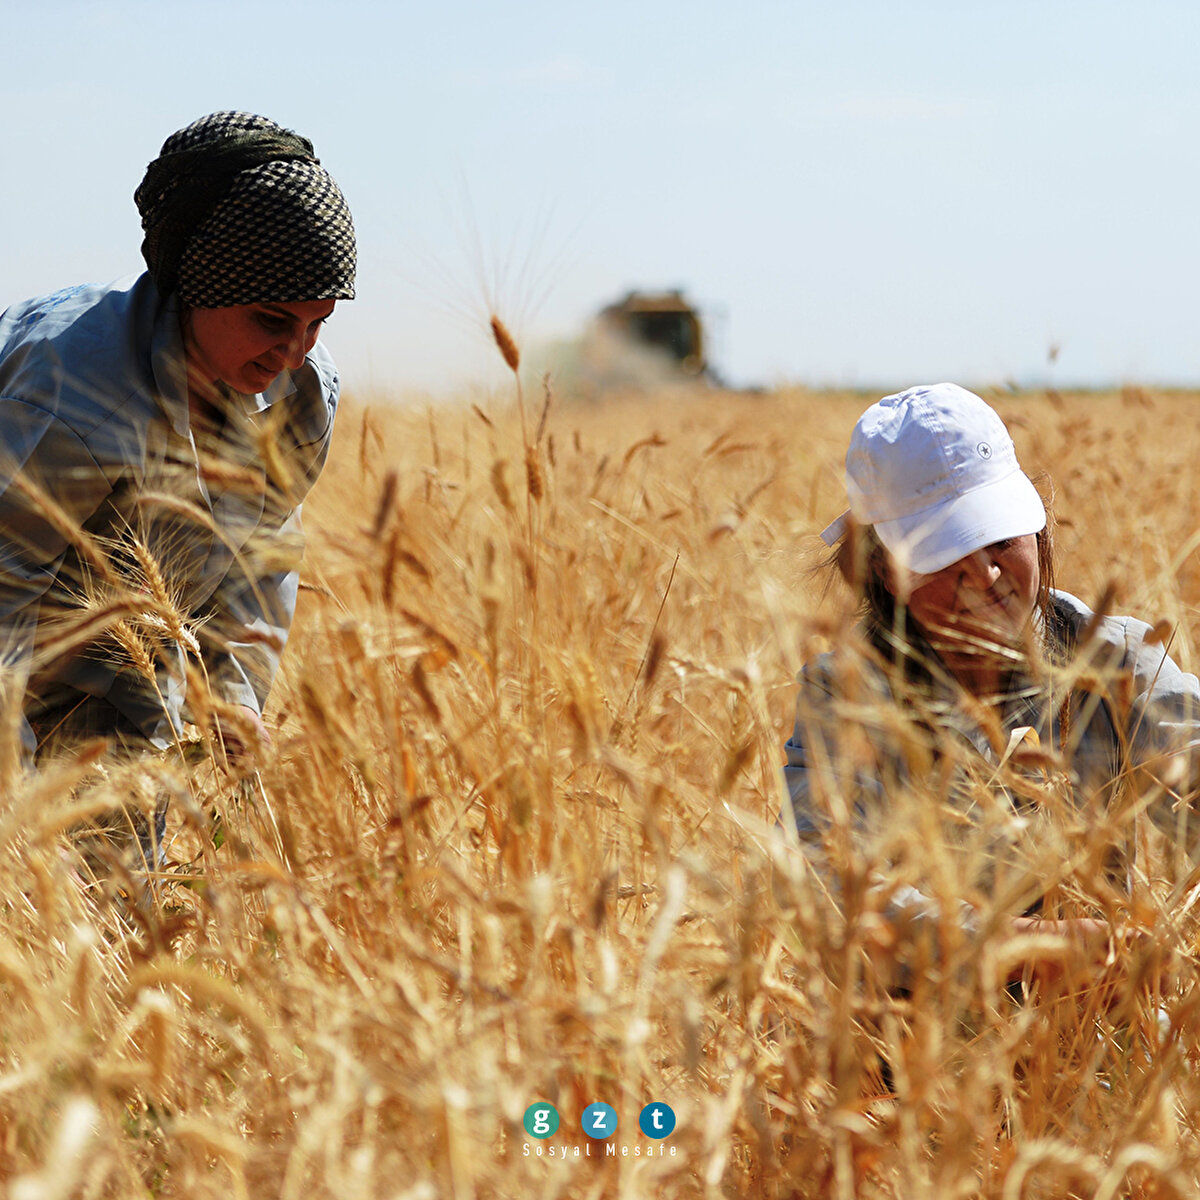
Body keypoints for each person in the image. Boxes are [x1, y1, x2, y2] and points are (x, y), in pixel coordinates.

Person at [0, 111, 356, 865]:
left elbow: (265, 554)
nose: (293, 353)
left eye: (317, 323)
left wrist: (235, 691)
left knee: (117, 928)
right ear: (199, 282)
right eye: (271, 319)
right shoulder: (73, 397)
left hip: (129, 683)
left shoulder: (302, 403)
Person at [783, 383, 1200, 991]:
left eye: (1001, 541)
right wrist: (1024, 946)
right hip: (910, 1052)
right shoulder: (845, 696)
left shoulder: (1117, 663)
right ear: (883, 569)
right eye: (944, 556)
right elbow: (832, 890)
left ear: (1039, 533)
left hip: (1097, 1034)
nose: (985, 577)